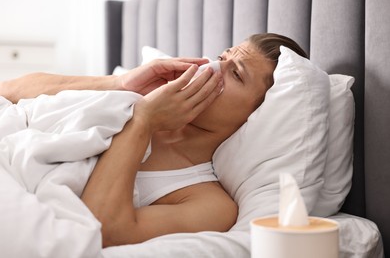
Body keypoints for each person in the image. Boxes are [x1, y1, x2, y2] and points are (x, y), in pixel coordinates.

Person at [0, 33, 307, 247]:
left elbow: (106, 230)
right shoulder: (132, 96)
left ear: (257, 114)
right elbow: (10, 91)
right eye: (220, 58)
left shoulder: (209, 203)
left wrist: (143, 122)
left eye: (236, 74)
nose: (211, 70)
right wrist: (119, 83)